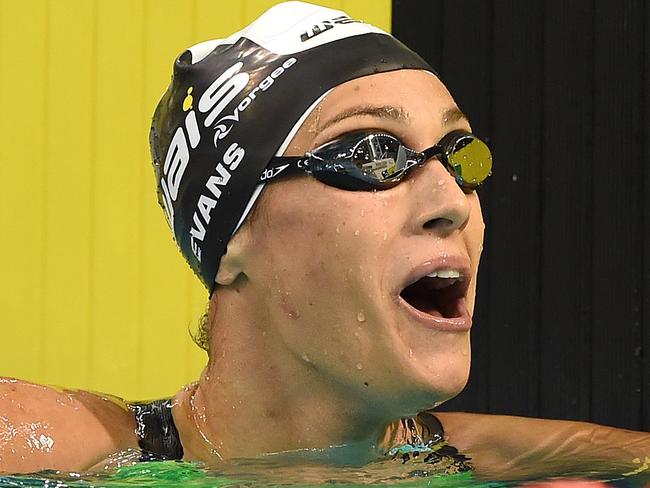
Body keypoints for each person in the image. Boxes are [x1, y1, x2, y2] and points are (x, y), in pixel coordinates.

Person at [1, 2, 648, 481]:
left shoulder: (500, 464)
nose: (454, 202)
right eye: (371, 152)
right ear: (233, 233)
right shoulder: (66, 450)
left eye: (460, 156)